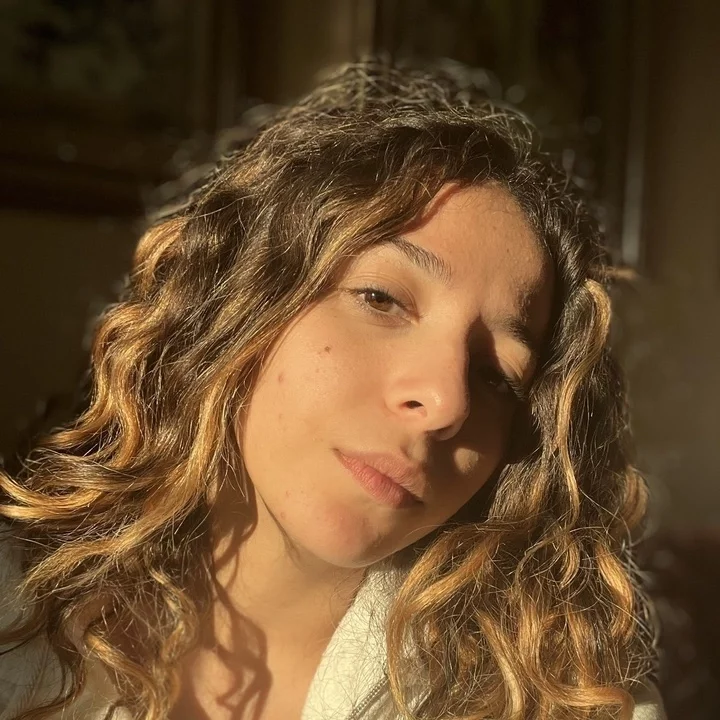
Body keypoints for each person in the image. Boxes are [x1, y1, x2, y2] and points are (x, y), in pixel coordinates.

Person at [0, 60, 664, 720]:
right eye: (381, 299)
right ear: (239, 301)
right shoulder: (19, 620)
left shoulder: (572, 706)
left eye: (496, 376)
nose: (446, 401)